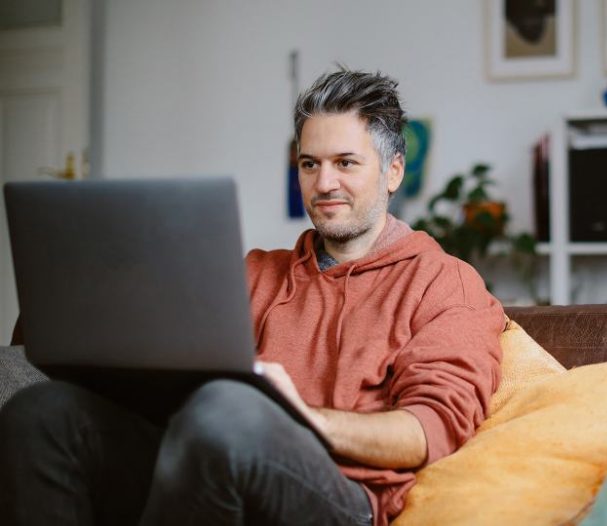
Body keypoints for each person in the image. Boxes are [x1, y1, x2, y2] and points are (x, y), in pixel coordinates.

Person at [0, 68, 505, 526]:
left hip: (340, 497)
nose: (324, 183)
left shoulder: (444, 281)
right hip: (202, 465)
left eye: (345, 163)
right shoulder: (252, 272)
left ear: (393, 171)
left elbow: (428, 430)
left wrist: (300, 418)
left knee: (228, 409)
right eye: (309, 164)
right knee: (42, 413)